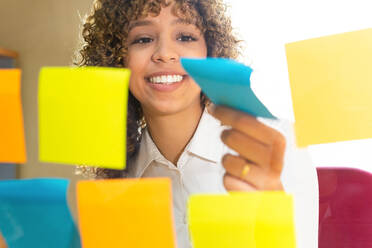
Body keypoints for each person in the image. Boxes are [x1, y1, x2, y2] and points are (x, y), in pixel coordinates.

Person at [77, 0, 318, 247]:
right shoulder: (115, 183)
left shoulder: (275, 147)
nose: (165, 53)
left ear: (210, 52)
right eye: (143, 39)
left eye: (184, 36)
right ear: (117, 61)